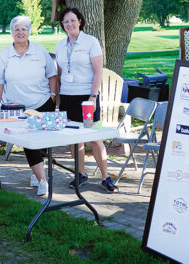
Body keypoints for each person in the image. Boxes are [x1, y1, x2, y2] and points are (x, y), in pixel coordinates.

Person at [0, 16, 58, 196]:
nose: (20, 32)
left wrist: (52, 96)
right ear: (12, 32)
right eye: (16, 29)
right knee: (29, 142)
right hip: (16, 107)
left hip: (42, 103)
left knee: (41, 142)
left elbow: (52, 74)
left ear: (29, 31)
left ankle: (36, 174)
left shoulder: (39, 50)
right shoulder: (5, 53)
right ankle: (43, 180)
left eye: (24, 29)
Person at [55, 7, 119, 193]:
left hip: (87, 98)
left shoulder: (91, 42)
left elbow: (98, 70)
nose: (69, 24)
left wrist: (93, 96)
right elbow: (59, 73)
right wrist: (58, 95)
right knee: (75, 139)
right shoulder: (60, 45)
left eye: (72, 20)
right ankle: (81, 174)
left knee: (95, 137)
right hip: (67, 97)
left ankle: (106, 177)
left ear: (80, 21)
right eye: (65, 22)